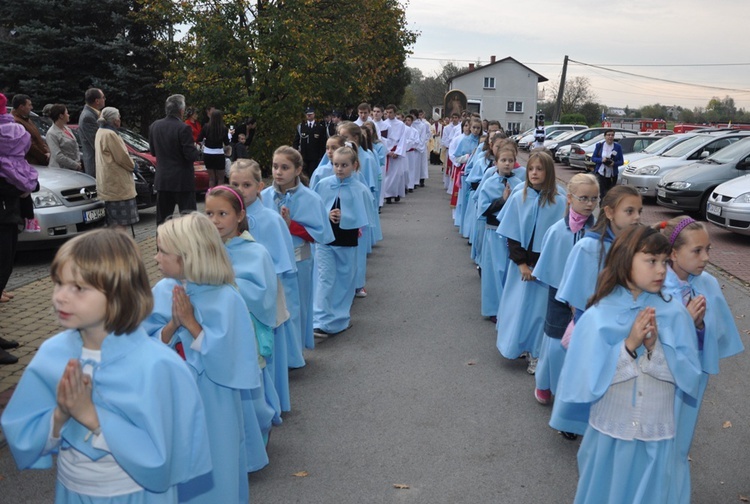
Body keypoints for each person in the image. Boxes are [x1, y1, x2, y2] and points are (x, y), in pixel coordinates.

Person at [0, 229, 212, 502]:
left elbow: (166, 457)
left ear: (118, 294)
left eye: (78, 288)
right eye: (58, 283)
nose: (61, 297)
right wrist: (60, 415)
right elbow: (25, 432)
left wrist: (91, 416)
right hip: (71, 491)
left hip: (135, 494)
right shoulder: (52, 354)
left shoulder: (158, 366)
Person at [551, 225, 702, 504]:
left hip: (655, 434)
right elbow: (585, 379)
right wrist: (628, 347)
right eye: (651, 261)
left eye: (664, 262)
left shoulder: (675, 314)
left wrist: (654, 347)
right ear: (625, 260)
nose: (661, 271)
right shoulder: (598, 314)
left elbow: (688, 376)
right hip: (610, 432)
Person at [143, 213, 257, 503]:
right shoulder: (163, 291)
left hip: (213, 403)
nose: (155, 257)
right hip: (172, 402)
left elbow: (232, 362)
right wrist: (172, 325)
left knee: (216, 464)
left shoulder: (226, 298)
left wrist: (191, 324)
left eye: (162, 251)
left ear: (186, 256)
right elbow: (143, 347)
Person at [659, 216, 744, 502]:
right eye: (697, 251)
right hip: (661, 380)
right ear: (673, 253)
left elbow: (716, 330)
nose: (706, 257)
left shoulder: (706, 283)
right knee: (657, 441)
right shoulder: (655, 284)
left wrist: (699, 326)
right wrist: (684, 320)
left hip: (692, 378)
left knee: (680, 442)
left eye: (708, 249)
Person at [205, 186, 279, 470]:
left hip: (246, 332)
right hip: (217, 334)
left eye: (223, 213)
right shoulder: (204, 250)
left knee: (253, 393)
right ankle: (237, 453)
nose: (215, 220)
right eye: (209, 213)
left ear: (239, 216)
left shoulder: (255, 252)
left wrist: (228, 282)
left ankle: (262, 426)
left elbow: (263, 295)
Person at [229, 159, 297, 413]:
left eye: (246, 184)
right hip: (238, 298)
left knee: (268, 350)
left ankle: (276, 402)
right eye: (234, 184)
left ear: (259, 186)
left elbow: (282, 262)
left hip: (266, 295)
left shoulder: (270, 219)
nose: (240, 189)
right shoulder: (225, 218)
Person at [495, 151, 567, 374]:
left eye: (540, 169)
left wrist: (545, 267)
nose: (534, 173)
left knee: (539, 313)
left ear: (549, 172)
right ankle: (516, 345)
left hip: (545, 269)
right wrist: (521, 264)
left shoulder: (559, 201)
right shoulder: (520, 197)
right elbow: (512, 234)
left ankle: (536, 353)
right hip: (522, 266)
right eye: (531, 169)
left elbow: (559, 239)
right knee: (518, 309)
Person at [531, 174, 600, 405]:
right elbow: (550, 266)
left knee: (580, 348)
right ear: (569, 198)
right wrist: (567, 294)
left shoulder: (599, 233)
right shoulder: (557, 232)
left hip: (589, 298)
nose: (589, 203)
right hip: (559, 296)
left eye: (594, 198)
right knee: (554, 344)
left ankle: (569, 392)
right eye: (583, 198)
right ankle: (545, 383)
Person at [262, 146, 334, 353]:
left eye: (285, 167)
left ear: (297, 169)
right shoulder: (264, 197)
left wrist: (291, 224)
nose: (278, 172)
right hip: (270, 263)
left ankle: (293, 353)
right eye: (275, 166)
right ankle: (276, 352)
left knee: (295, 308)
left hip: (298, 262)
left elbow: (320, 235)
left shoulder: (311, 198)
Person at [312, 145, 373, 336]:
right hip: (325, 241)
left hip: (347, 241)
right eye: (335, 164)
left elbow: (366, 216)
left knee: (344, 281)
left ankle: (339, 318)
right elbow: (314, 210)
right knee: (325, 279)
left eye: (344, 165)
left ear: (354, 165)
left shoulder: (360, 189)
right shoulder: (323, 184)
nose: (339, 169)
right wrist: (327, 214)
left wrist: (346, 216)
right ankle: (320, 319)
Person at [0, 93, 40, 363]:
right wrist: (20, 187)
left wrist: (25, 186)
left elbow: (27, 175)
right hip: (3, 215)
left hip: (8, 216)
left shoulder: (9, 144)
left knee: (4, 271)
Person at [476, 141, 524, 322]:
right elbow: (483, 209)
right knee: (494, 271)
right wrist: (502, 200)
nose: (507, 163)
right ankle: (494, 308)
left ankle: (509, 307)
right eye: (503, 160)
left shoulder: (519, 184)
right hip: (493, 232)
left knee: (509, 272)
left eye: (510, 160)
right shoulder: (489, 183)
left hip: (511, 234)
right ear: (496, 162)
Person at [148, 94, 201, 225]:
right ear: (181, 111)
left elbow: (153, 152)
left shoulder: (154, 126)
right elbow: (190, 155)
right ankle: (188, 245)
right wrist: (197, 149)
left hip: (163, 180)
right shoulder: (183, 128)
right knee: (189, 220)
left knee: (162, 221)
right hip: (182, 181)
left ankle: (162, 245)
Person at [95, 107, 138, 231]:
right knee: (120, 224)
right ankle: (120, 248)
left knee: (114, 222)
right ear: (114, 120)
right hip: (117, 186)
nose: (120, 119)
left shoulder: (100, 132)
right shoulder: (110, 134)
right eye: (118, 117)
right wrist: (133, 165)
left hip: (108, 184)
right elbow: (122, 157)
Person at [11, 94, 49, 166]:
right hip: (32, 163)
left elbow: (39, 139)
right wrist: (44, 157)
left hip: (39, 161)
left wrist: (47, 151)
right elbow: (30, 144)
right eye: (29, 105)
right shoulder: (16, 122)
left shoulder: (27, 119)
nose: (31, 107)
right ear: (21, 107)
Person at [381, 104, 408, 204]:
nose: (388, 114)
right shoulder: (384, 124)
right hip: (388, 151)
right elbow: (382, 139)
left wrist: (397, 152)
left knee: (397, 174)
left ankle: (396, 193)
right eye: (387, 113)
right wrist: (388, 151)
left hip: (397, 150)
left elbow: (403, 139)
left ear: (395, 113)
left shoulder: (400, 124)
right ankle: (387, 195)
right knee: (387, 174)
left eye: (391, 112)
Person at [198, 109, 230, 188]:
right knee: (220, 178)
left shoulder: (206, 127)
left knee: (211, 179)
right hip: (219, 154)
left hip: (208, 153)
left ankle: (210, 197)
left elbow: (199, 138)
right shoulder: (224, 129)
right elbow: (227, 143)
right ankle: (219, 197)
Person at [46, 104, 82, 171]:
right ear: (61, 116)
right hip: (60, 170)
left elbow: (75, 145)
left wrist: (78, 161)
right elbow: (58, 155)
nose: (68, 115)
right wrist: (75, 165)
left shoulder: (67, 128)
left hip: (73, 168)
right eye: (67, 113)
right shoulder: (51, 133)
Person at [78, 88, 105, 176]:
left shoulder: (94, 114)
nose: (104, 100)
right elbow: (96, 142)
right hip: (96, 164)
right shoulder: (88, 117)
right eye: (103, 97)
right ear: (97, 101)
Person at [293, 107, 327, 177]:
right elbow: (296, 140)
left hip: (315, 156)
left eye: (310, 114)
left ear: (314, 115)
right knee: (304, 174)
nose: (309, 116)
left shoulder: (320, 127)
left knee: (312, 173)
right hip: (304, 155)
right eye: (307, 114)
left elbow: (322, 143)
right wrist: (295, 152)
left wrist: (321, 156)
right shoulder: (301, 126)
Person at [592, 129, 623, 199]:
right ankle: (602, 208)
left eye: (612, 135)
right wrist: (601, 160)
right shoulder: (599, 146)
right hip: (601, 173)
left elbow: (621, 161)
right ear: (605, 136)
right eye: (608, 135)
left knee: (611, 194)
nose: (610, 137)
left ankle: (609, 208)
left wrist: (614, 163)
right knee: (603, 194)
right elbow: (593, 158)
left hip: (612, 175)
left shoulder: (618, 147)